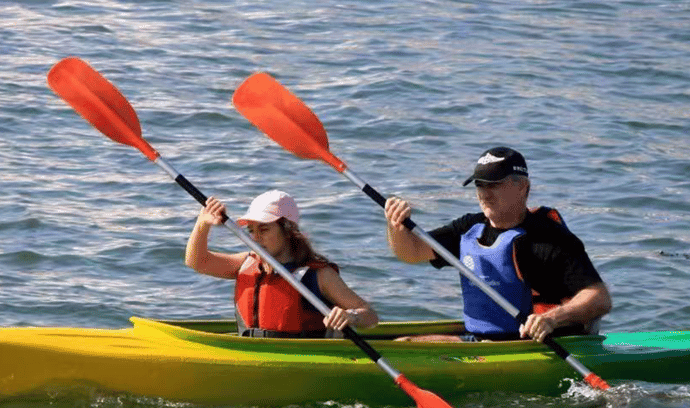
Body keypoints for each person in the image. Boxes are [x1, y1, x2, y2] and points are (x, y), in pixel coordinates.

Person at [384, 146, 611, 342]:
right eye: (480, 184)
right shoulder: (469, 228)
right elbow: (411, 252)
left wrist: (551, 319)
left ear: (522, 187)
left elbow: (599, 298)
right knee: (404, 342)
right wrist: (396, 225)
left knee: (406, 343)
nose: (484, 193)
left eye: (494, 184)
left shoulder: (549, 239)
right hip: (484, 341)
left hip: (543, 343)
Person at [186, 190, 379, 337]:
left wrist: (350, 316)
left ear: (287, 230)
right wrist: (202, 224)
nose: (256, 238)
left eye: (264, 229)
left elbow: (370, 316)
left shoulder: (318, 275)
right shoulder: (245, 262)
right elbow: (196, 261)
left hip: (300, 358)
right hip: (251, 351)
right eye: (252, 231)